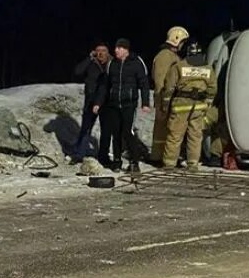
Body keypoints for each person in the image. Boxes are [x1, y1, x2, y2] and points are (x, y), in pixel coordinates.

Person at [93, 38, 150, 172]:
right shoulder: (112, 63)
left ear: (125, 50)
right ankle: (117, 161)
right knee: (116, 133)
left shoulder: (136, 62)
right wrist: (98, 103)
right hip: (114, 104)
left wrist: (145, 103)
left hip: (129, 104)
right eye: (116, 48)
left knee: (128, 132)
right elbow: (105, 86)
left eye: (119, 48)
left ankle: (134, 162)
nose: (116, 50)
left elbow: (144, 84)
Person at [162, 39, 217, 171]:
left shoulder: (179, 66)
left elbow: (169, 87)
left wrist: (165, 105)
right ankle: (193, 163)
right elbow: (212, 89)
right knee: (195, 136)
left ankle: (169, 164)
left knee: (175, 135)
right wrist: (207, 104)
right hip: (199, 107)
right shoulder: (208, 68)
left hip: (181, 105)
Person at [150, 25, 189, 165]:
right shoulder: (165, 56)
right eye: (182, 42)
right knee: (163, 128)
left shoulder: (172, 56)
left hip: (169, 97)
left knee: (167, 128)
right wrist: (163, 100)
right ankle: (159, 157)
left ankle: (161, 156)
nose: (183, 45)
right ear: (176, 40)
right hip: (164, 97)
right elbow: (160, 79)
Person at [71, 41, 110, 162]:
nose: (100, 53)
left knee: (106, 130)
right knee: (86, 128)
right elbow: (77, 71)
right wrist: (89, 58)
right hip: (91, 100)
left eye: (103, 51)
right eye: (98, 51)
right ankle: (79, 154)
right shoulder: (91, 63)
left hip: (107, 101)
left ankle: (103, 156)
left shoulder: (112, 63)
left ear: (108, 52)